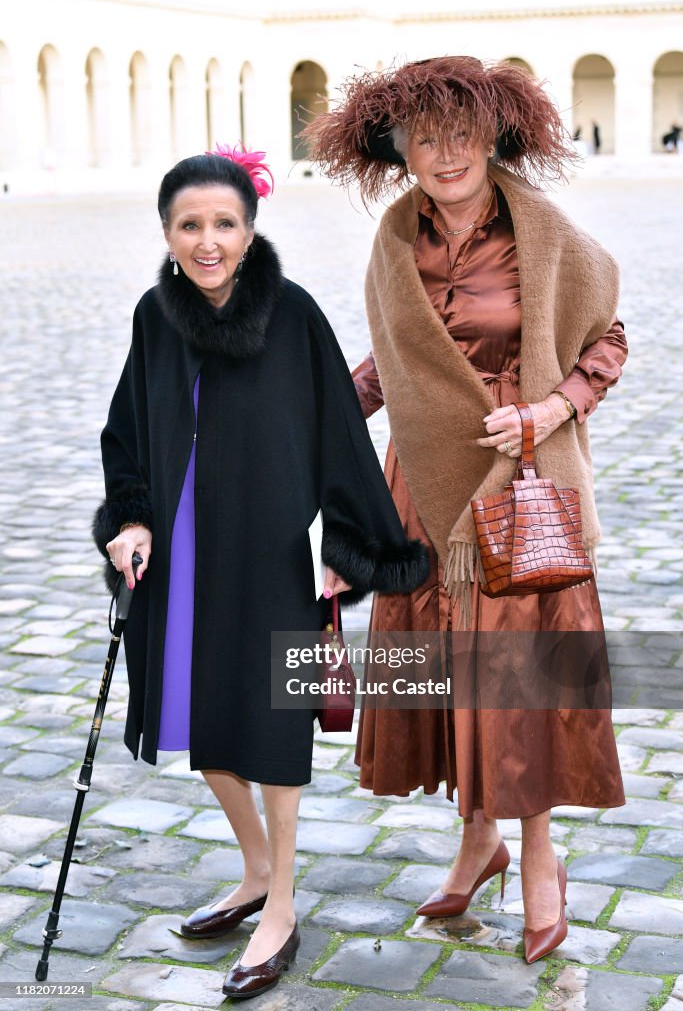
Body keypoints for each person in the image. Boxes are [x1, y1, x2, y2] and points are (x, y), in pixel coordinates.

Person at [306, 56, 627, 963]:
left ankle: (537, 856)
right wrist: (306, 423)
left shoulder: (541, 232)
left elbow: (608, 338)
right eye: (423, 138)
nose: (443, 154)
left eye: (459, 135)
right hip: (419, 483)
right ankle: (475, 839)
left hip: (516, 485)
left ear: (490, 137)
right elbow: (389, 370)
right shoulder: (393, 240)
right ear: (398, 148)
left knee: (513, 684)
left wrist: (549, 409)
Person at [92, 145, 428, 1000]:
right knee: (201, 720)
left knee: (271, 731)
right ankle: (250, 871)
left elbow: (338, 434)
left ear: (250, 229)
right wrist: (129, 521)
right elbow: (127, 431)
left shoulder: (293, 314)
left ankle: (280, 903)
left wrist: (345, 550)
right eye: (190, 226)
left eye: (224, 225)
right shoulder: (151, 316)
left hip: (273, 553)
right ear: (167, 234)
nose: (208, 241)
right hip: (179, 557)